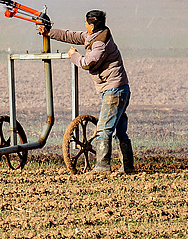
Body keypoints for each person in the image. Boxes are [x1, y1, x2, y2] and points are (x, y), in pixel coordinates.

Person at [37, 10, 133, 174]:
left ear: (92, 25)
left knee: (104, 129)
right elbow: (71, 36)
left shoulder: (99, 44)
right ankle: (128, 167)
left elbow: (88, 63)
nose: (84, 25)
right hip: (118, 89)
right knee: (119, 130)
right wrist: (48, 32)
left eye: (86, 23)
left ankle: (102, 167)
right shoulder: (95, 36)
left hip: (114, 90)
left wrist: (73, 56)